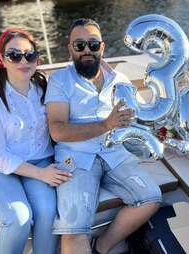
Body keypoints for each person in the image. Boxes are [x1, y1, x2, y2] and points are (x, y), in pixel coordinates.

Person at [45, 18, 162, 254]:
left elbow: (139, 118)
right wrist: (106, 124)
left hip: (115, 154)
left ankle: (101, 246)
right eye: (79, 45)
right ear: (70, 49)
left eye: (93, 44)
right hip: (76, 160)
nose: (87, 50)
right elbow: (57, 130)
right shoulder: (60, 80)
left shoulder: (121, 81)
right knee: (75, 231)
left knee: (151, 197)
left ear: (102, 47)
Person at [0, 28, 71, 254]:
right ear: (2, 59)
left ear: (37, 58)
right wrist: (42, 174)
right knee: (19, 217)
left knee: (46, 210)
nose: (23, 61)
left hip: (39, 160)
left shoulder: (44, 89)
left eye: (29, 54)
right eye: (15, 55)